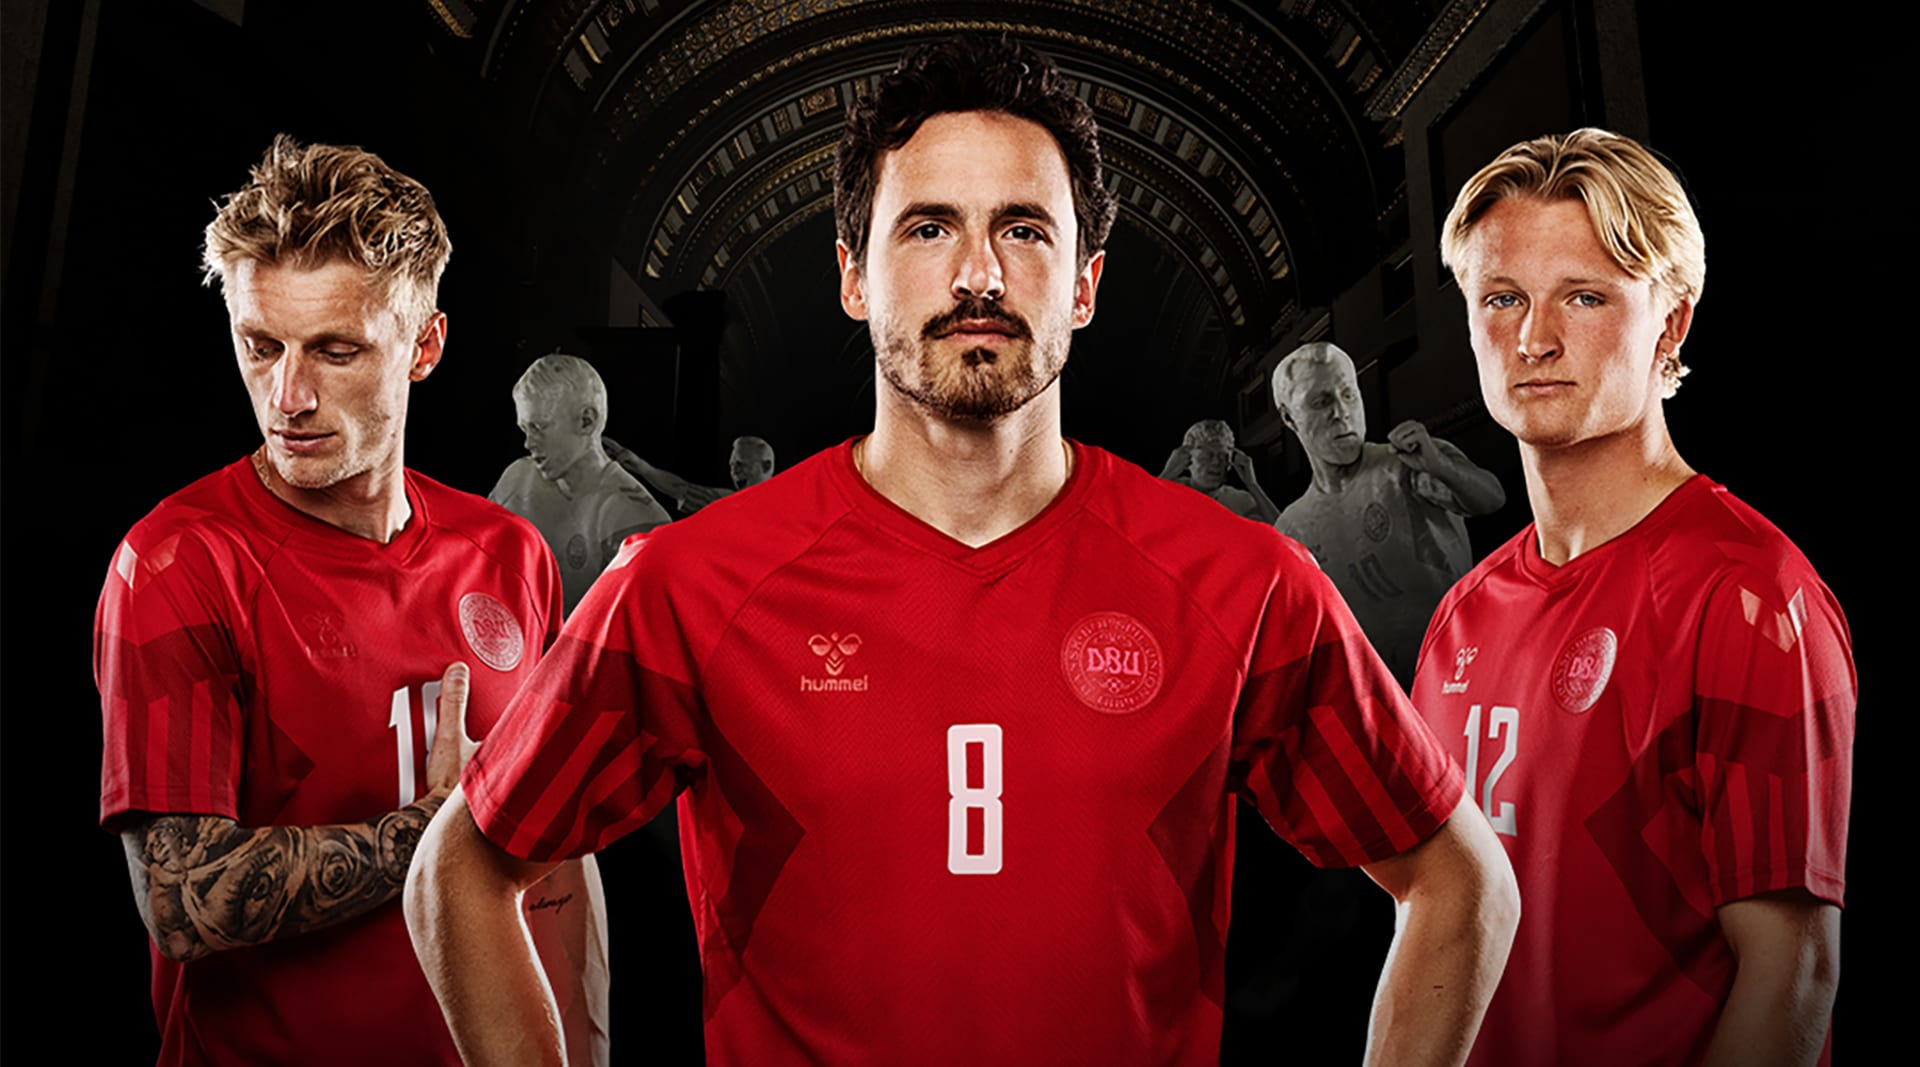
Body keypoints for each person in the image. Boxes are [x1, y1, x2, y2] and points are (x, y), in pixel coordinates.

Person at [408, 35, 1517, 1067]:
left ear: (1084, 283)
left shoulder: (1245, 581)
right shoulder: (691, 584)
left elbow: (1462, 882)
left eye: (1025, 229)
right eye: (928, 227)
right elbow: (462, 867)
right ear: (855, 275)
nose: (976, 274)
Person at [94, 136, 607, 1066]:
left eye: (335, 350)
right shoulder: (176, 561)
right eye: (261, 346)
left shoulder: (510, 553)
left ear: (425, 345)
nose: (287, 395)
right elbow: (183, 900)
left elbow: (556, 860)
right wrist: (439, 833)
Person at [1413, 128, 1852, 1066]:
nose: (1535, 338)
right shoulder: (1460, 619)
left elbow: (1793, 976)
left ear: (1672, 323)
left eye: (1585, 295)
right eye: (1502, 299)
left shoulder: (1750, 596)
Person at [1271, 341, 1505, 686]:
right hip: (1380, 703)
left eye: (1348, 395)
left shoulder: (1406, 464)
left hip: (1461, 677)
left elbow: (1491, 499)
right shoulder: (1292, 528)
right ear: (1290, 416)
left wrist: (1440, 466)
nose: (1341, 412)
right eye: (1321, 402)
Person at [489, 354, 671, 613]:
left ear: (587, 420)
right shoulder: (516, 479)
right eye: (525, 430)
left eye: (539, 428)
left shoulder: (632, 518)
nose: (529, 444)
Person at [603, 433, 775, 513]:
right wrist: (642, 467)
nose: (734, 471)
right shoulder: (727, 503)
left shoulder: (786, 506)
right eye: (732, 465)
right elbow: (680, 489)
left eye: (741, 464)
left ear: (766, 466)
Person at [1158, 418, 1280, 522]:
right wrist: (1167, 474)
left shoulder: (1240, 501)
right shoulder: (1169, 492)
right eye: (1207, 456)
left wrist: (1253, 485)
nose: (1217, 462)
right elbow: (1140, 518)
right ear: (1187, 460)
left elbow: (1284, 535)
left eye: (1223, 457)